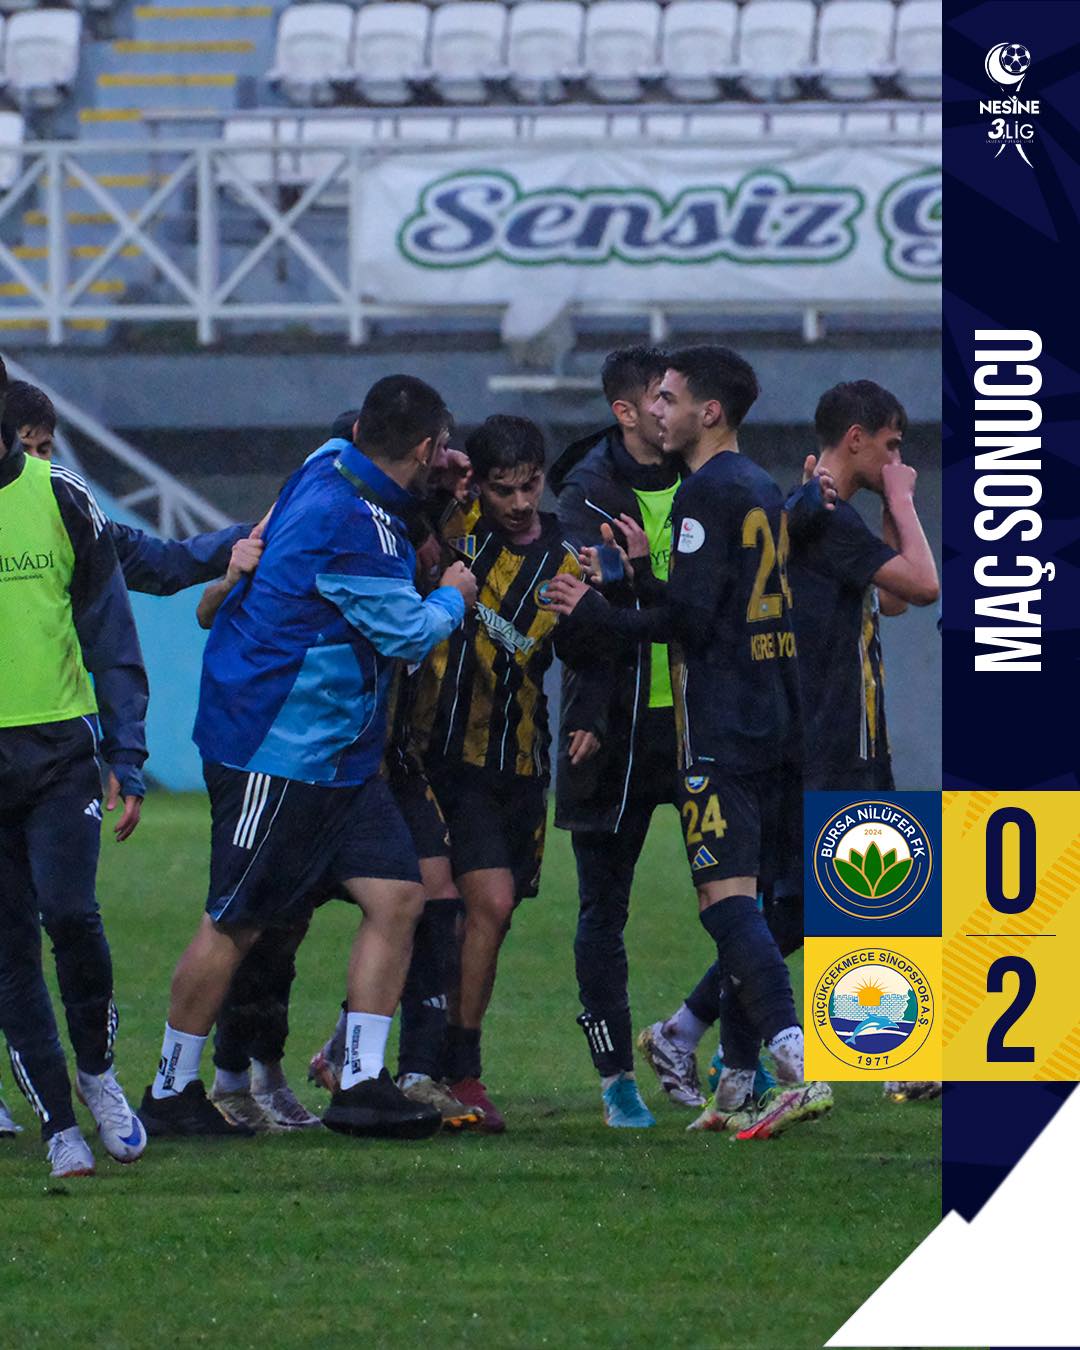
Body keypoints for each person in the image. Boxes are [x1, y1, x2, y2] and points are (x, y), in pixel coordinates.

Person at [135, 374, 477, 1141]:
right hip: (277, 749)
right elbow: (408, 634)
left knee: (399, 897)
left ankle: (360, 1083)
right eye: (440, 450)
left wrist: (431, 481)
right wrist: (454, 593)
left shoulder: (326, 462)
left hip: (336, 757)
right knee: (235, 921)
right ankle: (169, 1091)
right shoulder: (350, 526)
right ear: (426, 446)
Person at [546, 345, 832, 1140]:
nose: (658, 410)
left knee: (724, 900)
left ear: (709, 412)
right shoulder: (759, 484)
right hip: (774, 713)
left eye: (669, 399)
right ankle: (735, 1082)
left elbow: (691, 624)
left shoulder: (704, 493)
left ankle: (796, 1062)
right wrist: (641, 577)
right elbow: (714, 601)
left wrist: (599, 612)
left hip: (722, 723)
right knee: (756, 901)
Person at [645, 380, 941, 1105]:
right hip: (826, 738)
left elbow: (891, 599)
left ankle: (690, 1032)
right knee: (831, 902)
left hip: (846, 736)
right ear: (855, 439)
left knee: (810, 909)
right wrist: (903, 500)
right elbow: (923, 585)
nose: (898, 459)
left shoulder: (820, 513)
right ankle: (888, 1056)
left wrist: (885, 505)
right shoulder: (819, 520)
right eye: (891, 446)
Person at [382, 414, 590, 1132]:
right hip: (441, 755)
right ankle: (457, 1067)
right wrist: (442, 488)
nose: (520, 503)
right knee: (476, 906)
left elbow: (560, 650)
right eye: (504, 489)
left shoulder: (568, 558)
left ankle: (379, 1044)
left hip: (518, 761)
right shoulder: (455, 523)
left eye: (530, 486)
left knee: (480, 919)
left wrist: (463, 599)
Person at [0, 370, 150, 1177]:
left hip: (58, 752)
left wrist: (126, 752)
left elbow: (108, 629)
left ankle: (97, 1072)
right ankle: (59, 1124)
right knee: (9, 947)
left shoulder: (59, 495)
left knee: (70, 915)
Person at [547, 346, 695, 1127]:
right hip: (615, 733)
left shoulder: (707, 476)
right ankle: (616, 1080)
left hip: (703, 725)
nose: (671, 408)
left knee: (745, 899)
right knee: (603, 911)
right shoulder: (588, 494)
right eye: (658, 398)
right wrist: (591, 713)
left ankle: (724, 1050)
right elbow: (581, 620)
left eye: (675, 395)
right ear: (626, 411)